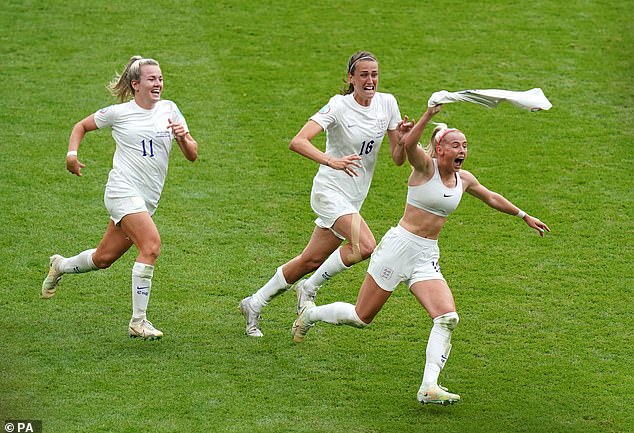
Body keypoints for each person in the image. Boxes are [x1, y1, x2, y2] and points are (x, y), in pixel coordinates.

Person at [291, 104, 550, 405]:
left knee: (447, 317)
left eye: (465, 145)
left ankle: (429, 386)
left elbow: (491, 196)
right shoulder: (424, 168)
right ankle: (311, 314)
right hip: (398, 248)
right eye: (455, 145)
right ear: (439, 149)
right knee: (362, 318)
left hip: (426, 254)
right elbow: (408, 145)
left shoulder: (463, 179)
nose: (462, 150)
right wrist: (428, 115)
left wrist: (524, 215)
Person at [239, 50, 414, 337]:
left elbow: (397, 159)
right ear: (350, 78)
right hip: (329, 191)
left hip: (353, 197)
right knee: (366, 245)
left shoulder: (388, 104)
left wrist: (404, 140)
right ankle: (309, 288)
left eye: (374, 74)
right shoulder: (338, 106)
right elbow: (298, 141)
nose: (370, 80)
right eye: (364, 75)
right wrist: (331, 161)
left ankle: (253, 303)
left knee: (310, 260)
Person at [41, 56, 198, 340]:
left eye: (160, 78)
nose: (158, 83)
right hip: (122, 191)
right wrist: (71, 155)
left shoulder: (170, 109)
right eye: (152, 79)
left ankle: (60, 265)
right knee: (151, 246)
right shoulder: (118, 113)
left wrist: (183, 138)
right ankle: (138, 321)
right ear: (135, 84)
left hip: (147, 201)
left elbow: (193, 155)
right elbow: (81, 126)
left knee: (103, 258)